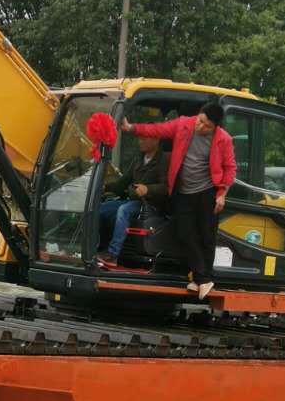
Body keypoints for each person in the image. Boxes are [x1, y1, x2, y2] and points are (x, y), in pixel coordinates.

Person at [120, 101, 236, 300]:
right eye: (200, 121)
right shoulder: (183, 124)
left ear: (215, 127)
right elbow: (159, 129)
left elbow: (230, 167)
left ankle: (201, 279)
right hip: (183, 191)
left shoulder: (223, 139)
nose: (201, 127)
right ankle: (203, 279)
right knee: (184, 234)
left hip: (208, 191)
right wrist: (131, 127)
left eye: (207, 126)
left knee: (206, 236)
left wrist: (222, 194)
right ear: (198, 115)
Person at [98, 135, 168, 264]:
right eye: (139, 138)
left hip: (151, 204)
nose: (139, 141)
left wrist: (148, 189)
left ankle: (113, 255)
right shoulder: (138, 159)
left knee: (123, 210)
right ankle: (99, 248)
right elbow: (123, 183)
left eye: (143, 138)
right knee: (101, 209)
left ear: (156, 140)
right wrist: (105, 187)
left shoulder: (164, 159)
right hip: (134, 201)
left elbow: (167, 187)